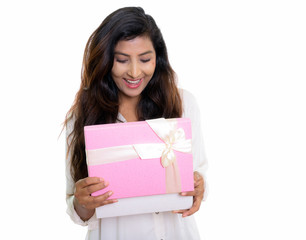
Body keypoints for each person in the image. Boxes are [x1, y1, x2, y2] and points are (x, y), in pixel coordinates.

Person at [64, 7, 208, 240]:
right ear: (106, 60)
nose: (134, 72)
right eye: (121, 60)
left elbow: (199, 175)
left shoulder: (183, 103)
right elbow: (76, 210)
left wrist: (200, 187)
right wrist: (83, 201)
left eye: (145, 59)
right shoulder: (82, 114)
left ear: (157, 58)